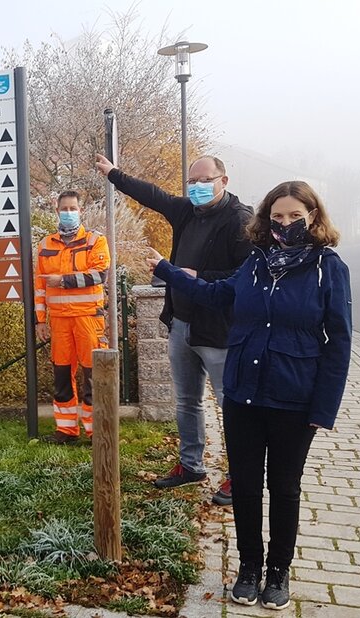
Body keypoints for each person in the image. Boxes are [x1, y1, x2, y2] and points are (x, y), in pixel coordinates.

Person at [147, 180, 351, 610]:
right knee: (245, 487)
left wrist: (324, 407)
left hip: (294, 398)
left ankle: (278, 572)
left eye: (296, 216)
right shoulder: (257, 262)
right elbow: (218, 294)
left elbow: (339, 342)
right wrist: (167, 270)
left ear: (313, 217)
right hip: (243, 394)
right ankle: (249, 567)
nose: (286, 223)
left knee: (284, 487)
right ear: (266, 218)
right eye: (278, 216)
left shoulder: (327, 267)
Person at [95, 153, 252, 505]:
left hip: (218, 331)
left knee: (233, 407)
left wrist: (202, 278)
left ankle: (240, 476)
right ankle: (190, 466)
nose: (196, 187)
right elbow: (153, 196)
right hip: (181, 324)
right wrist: (115, 174)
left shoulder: (240, 221)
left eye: (204, 180)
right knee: (187, 401)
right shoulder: (186, 212)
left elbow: (247, 278)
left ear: (223, 180)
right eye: (192, 181)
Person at [34, 190, 111, 444]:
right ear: (57, 212)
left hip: (88, 319)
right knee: (62, 376)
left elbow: (100, 274)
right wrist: (40, 319)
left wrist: (64, 281)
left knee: (93, 377)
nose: (68, 213)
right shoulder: (45, 245)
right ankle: (66, 430)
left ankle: (96, 430)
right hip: (58, 322)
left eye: (73, 208)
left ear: (81, 211)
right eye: (64, 209)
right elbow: (39, 287)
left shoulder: (94, 241)